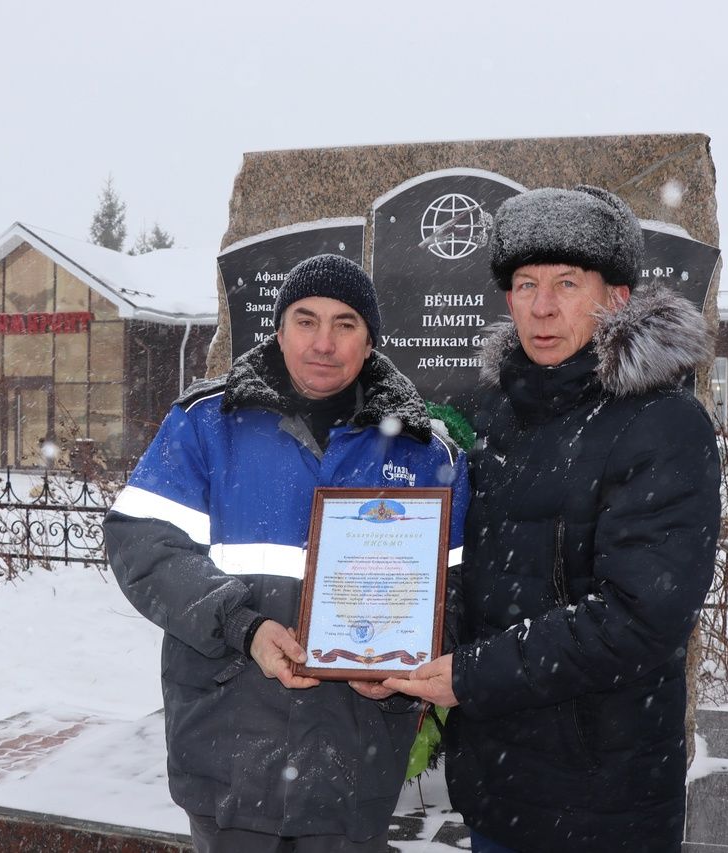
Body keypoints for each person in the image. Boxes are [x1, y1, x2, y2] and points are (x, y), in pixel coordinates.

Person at [385, 186, 721, 852]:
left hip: (600, 801)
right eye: (525, 283)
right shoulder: (498, 415)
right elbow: (473, 572)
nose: (541, 307)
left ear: (616, 296)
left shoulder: (664, 424)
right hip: (496, 789)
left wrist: (468, 675)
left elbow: (639, 619)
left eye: (567, 283)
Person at [104, 253, 468, 853]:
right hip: (229, 750)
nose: (323, 342)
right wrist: (243, 627)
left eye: (345, 324)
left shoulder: (428, 454)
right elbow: (142, 543)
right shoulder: (204, 425)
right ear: (279, 328)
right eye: (306, 320)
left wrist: (404, 666)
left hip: (355, 759)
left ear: (370, 341)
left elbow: (457, 589)